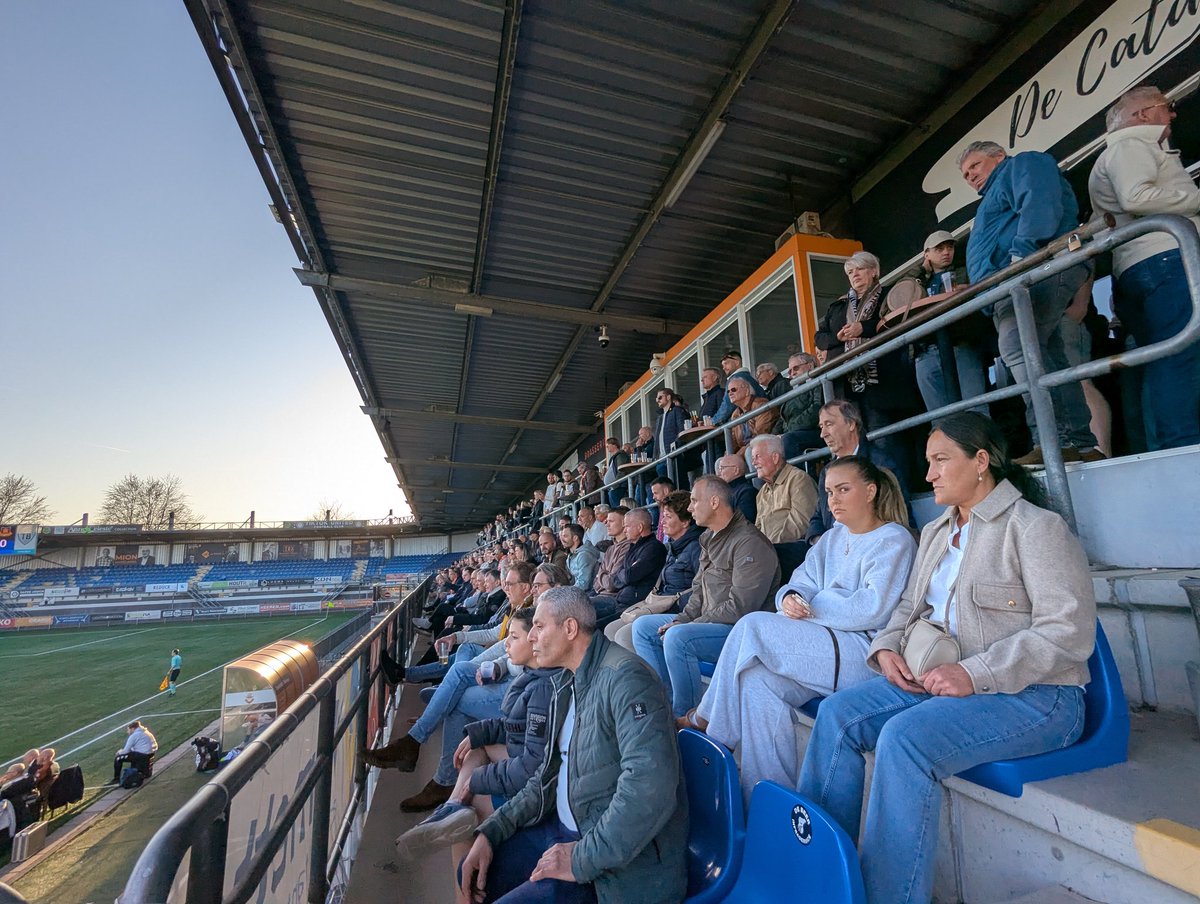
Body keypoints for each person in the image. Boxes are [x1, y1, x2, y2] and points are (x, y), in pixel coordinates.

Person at [798, 412, 1096, 904]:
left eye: (940, 460)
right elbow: (906, 609)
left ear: (981, 461)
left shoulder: (1035, 528)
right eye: (928, 462)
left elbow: (1066, 633)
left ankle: (885, 896)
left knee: (904, 738)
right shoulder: (936, 532)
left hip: (1037, 697)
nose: (929, 474)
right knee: (837, 714)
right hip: (942, 683)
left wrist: (973, 673)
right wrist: (886, 648)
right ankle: (820, 872)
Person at [686, 456, 916, 804]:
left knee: (753, 626)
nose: (833, 500)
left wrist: (811, 607)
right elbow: (799, 584)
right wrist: (791, 598)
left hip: (863, 655)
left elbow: (871, 608)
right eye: (828, 492)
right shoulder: (831, 539)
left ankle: (708, 722)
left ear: (870, 491)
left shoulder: (894, 538)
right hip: (819, 648)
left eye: (843, 490)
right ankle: (767, 801)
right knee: (756, 682)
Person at [458, 587, 687, 904]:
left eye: (539, 626)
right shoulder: (568, 680)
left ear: (569, 628)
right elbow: (548, 773)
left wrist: (580, 858)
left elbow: (650, 786)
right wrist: (493, 830)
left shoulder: (628, 679)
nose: (532, 636)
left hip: (614, 863)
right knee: (470, 870)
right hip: (565, 832)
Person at [959, 139, 1102, 465]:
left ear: (997, 157)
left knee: (1017, 347)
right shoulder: (991, 198)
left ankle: (1055, 441)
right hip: (1012, 287)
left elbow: (1040, 202)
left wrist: (1019, 257)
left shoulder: (1021, 164)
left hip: (1033, 275)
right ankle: (1078, 445)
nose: (971, 178)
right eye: (966, 175)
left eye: (975, 166)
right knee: (1046, 356)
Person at [394, 607, 559, 871]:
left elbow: (532, 767)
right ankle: (451, 802)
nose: (506, 642)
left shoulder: (540, 688)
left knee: (467, 819)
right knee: (473, 738)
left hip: (532, 782)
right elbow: (515, 727)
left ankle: (450, 794)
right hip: (518, 737)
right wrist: (478, 734)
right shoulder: (533, 676)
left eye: (514, 637)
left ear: (535, 639)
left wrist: (478, 780)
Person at [1088, 86, 1200, 451]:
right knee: (1179, 359)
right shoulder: (1131, 144)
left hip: (1143, 266)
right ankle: (1183, 450)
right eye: (1166, 107)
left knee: (1163, 361)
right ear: (1143, 115)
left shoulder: (1119, 152)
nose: (1172, 114)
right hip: (1165, 259)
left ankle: (1171, 450)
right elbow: (1136, 196)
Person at [631, 476, 780, 718]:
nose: (689, 508)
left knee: (678, 638)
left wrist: (689, 625)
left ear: (714, 502)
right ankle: (664, 706)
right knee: (642, 628)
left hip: (740, 632)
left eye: (693, 501)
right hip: (708, 623)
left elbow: (741, 607)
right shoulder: (709, 538)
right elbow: (699, 590)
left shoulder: (749, 542)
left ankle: (685, 716)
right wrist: (683, 618)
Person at [815, 251, 918, 480]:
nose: (855, 275)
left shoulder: (889, 294)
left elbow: (899, 322)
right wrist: (838, 339)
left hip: (880, 384)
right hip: (847, 387)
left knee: (884, 444)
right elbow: (819, 337)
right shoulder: (838, 307)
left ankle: (897, 497)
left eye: (860, 269)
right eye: (851, 272)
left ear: (874, 271)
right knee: (855, 449)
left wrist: (865, 328)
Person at [885, 231, 989, 414]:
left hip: (961, 344)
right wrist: (922, 269)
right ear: (927, 254)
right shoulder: (918, 281)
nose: (946, 252)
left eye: (950, 247)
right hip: (926, 349)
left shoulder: (965, 272)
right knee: (940, 417)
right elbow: (894, 301)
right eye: (939, 249)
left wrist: (969, 289)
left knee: (976, 408)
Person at [604, 490, 703, 651]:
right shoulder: (672, 547)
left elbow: (701, 589)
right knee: (610, 629)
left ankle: (648, 676)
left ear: (685, 522)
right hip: (659, 604)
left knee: (623, 634)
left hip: (679, 609)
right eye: (663, 517)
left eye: (668, 517)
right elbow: (618, 576)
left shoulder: (695, 547)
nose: (662, 522)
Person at [806, 399, 871, 545]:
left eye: (829, 424)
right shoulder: (826, 471)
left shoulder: (878, 463)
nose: (823, 434)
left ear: (851, 424)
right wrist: (818, 540)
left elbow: (893, 515)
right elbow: (818, 515)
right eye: (821, 426)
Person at [589, 509, 665, 626]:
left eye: (627, 527)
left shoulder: (653, 548)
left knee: (593, 627)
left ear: (640, 528)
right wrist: (622, 574)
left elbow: (628, 576)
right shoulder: (633, 547)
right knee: (583, 614)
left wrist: (620, 574)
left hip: (635, 604)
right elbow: (620, 575)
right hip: (621, 601)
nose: (624, 530)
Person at [749, 434, 818, 543]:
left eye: (758, 456)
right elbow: (758, 529)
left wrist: (771, 546)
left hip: (793, 548)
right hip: (771, 551)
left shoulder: (798, 479)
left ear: (775, 457)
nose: (753, 463)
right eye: (752, 458)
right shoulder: (762, 493)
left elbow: (801, 523)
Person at [777, 352, 823, 459]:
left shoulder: (818, 381)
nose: (792, 373)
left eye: (796, 368)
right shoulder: (793, 390)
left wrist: (789, 429)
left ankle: (798, 476)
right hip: (793, 432)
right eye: (790, 371)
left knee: (788, 439)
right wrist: (772, 436)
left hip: (815, 431)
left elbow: (817, 409)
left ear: (810, 365)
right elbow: (782, 419)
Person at [726, 374, 778, 456]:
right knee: (720, 462)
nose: (730, 393)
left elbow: (761, 435)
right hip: (745, 450)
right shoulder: (735, 415)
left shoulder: (761, 405)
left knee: (750, 452)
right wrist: (727, 457)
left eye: (733, 389)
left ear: (747, 391)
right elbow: (733, 442)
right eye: (728, 391)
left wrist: (740, 453)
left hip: (765, 445)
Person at [714, 454, 756, 523]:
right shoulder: (725, 492)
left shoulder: (746, 493)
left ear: (735, 470)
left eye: (722, 468)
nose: (719, 473)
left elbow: (744, 524)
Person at [560, 523, 599, 591]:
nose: (562, 539)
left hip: (590, 594)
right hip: (577, 593)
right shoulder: (571, 555)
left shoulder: (584, 555)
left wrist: (567, 592)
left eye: (565, 536)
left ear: (575, 538)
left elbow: (584, 584)